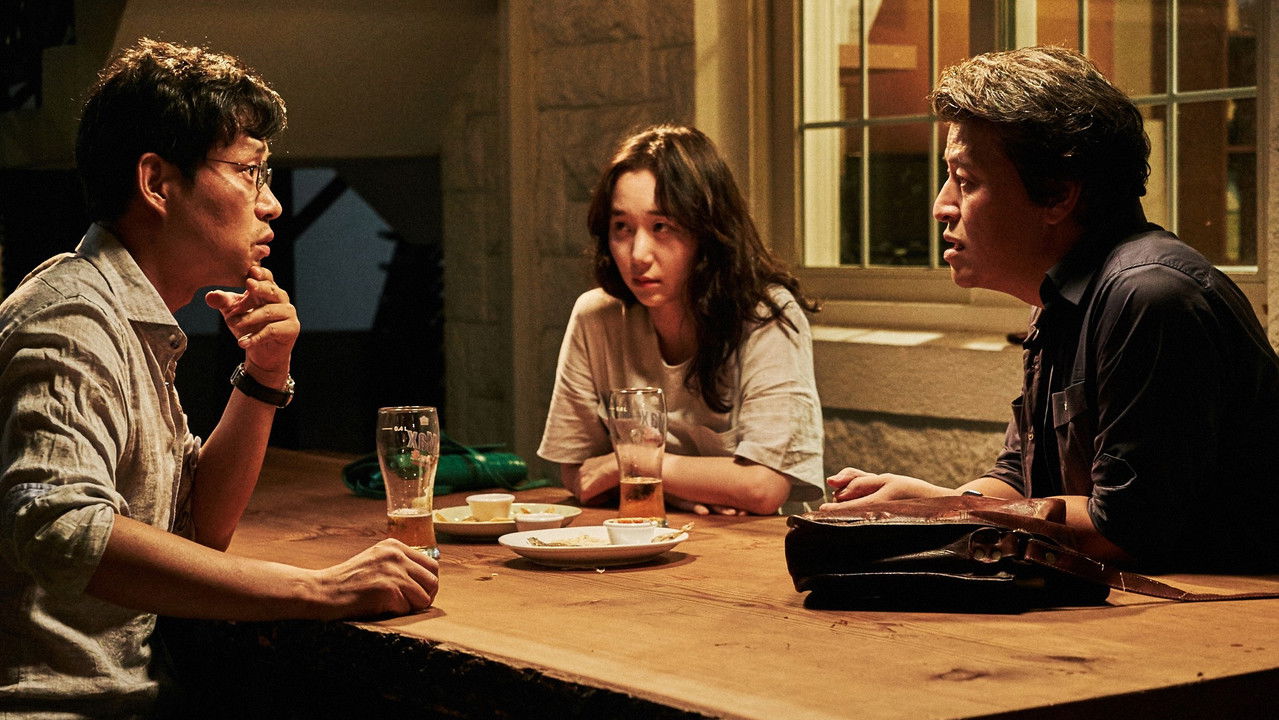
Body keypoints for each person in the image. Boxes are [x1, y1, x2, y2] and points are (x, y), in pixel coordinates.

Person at [0, 39, 438, 716]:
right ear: (156, 183)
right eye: (248, 171)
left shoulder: (129, 319)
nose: (272, 205)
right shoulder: (70, 319)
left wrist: (264, 374)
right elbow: (59, 527)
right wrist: (319, 589)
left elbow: (198, 529)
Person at [824, 46, 1279, 572]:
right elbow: (1021, 481)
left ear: (1058, 195)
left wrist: (946, 511)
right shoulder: (1062, 296)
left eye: (966, 181)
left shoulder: (1151, 297)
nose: (941, 205)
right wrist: (927, 501)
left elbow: (1123, 530)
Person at [538, 124, 824, 516]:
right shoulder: (596, 316)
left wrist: (636, 464)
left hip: (752, 541)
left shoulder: (765, 314)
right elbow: (580, 474)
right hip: (642, 528)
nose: (638, 254)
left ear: (707, 232)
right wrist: (675, 489)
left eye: (662, 227)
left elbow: (763, 487)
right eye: (622, 227)